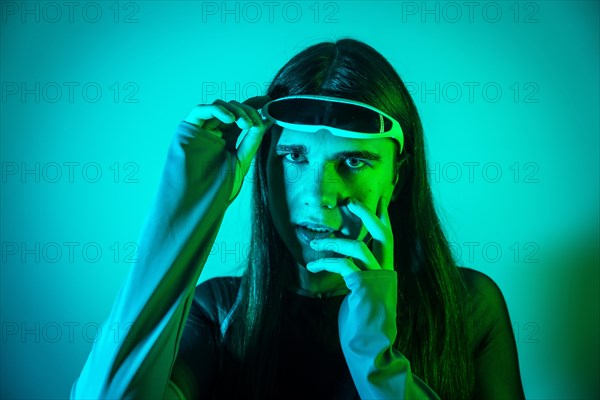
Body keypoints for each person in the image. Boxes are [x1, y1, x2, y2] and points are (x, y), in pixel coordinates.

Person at [70, 38, 526, 399]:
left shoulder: (469, 304)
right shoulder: (219, 314)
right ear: (262, 169)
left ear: (396, 178)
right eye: (293, 156)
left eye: (355, 161)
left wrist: (376, 358)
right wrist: (186, 206)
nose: (318, 199)